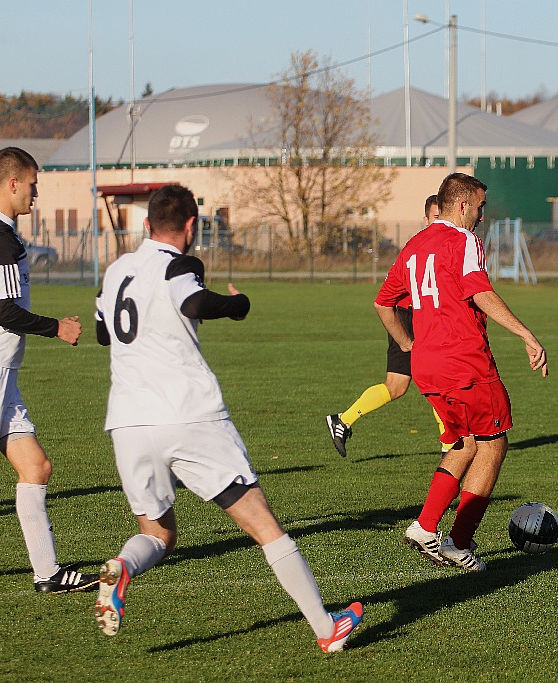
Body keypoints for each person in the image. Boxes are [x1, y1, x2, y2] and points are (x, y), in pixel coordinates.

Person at [93, 184, 362, 649]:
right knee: (262, 523)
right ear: (192, 226)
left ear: (146, 223)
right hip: (187, 416)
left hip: (128, 422)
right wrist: (238, 306)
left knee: (157, 533)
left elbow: (103, 332)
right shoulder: (180, 264)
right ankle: (326, 628)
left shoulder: (117, 270)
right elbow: (192, 302)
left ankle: (122, 569)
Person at [374, 173, 548, 572]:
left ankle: (424, 526)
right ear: (463, 204)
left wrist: (406, 344)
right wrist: (526, 334)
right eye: (481, 207)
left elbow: (384, 303)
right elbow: (479, 291)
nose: (483, 216)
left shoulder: (414, 245)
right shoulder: (464, 241)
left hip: (428, 366)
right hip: (464, 362)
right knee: (493, 444)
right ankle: (459, 540)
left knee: (463, 444)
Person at [0, 147, 97, 593]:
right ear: (13, 183)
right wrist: (55, 327)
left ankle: (48, 573)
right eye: (34, 184)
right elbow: (1, 310)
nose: (37, 193)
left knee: (36, 468)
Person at [326, 195, 449, 457]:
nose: (440, 222)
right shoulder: (417, 247)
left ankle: (342, 420)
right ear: (425, 220)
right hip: (407, 317)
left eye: (444, 217)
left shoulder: (443, 245)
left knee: (397, 386)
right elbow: (390, 292)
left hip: (418, 316)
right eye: (436, 217)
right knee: (432, 379)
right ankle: (449, 445)